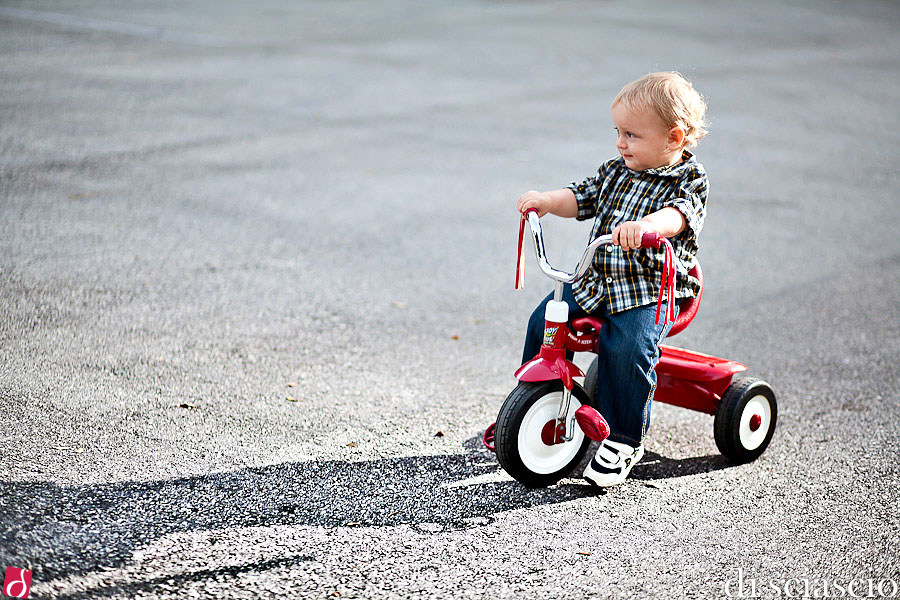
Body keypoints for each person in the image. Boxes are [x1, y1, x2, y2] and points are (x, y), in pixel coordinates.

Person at [516, 71, 709, 487]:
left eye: (632, 135)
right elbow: (581, 197)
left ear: (674, 138)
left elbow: (680, 216)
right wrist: (547, 201)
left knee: (626, 347)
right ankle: (535, 402)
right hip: (597, 279)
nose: (621, 143)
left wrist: (648, 225)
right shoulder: (615, 171)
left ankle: (623, 438)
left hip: (648, 291)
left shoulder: (689, 181)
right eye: (618, 132)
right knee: (544, 319)